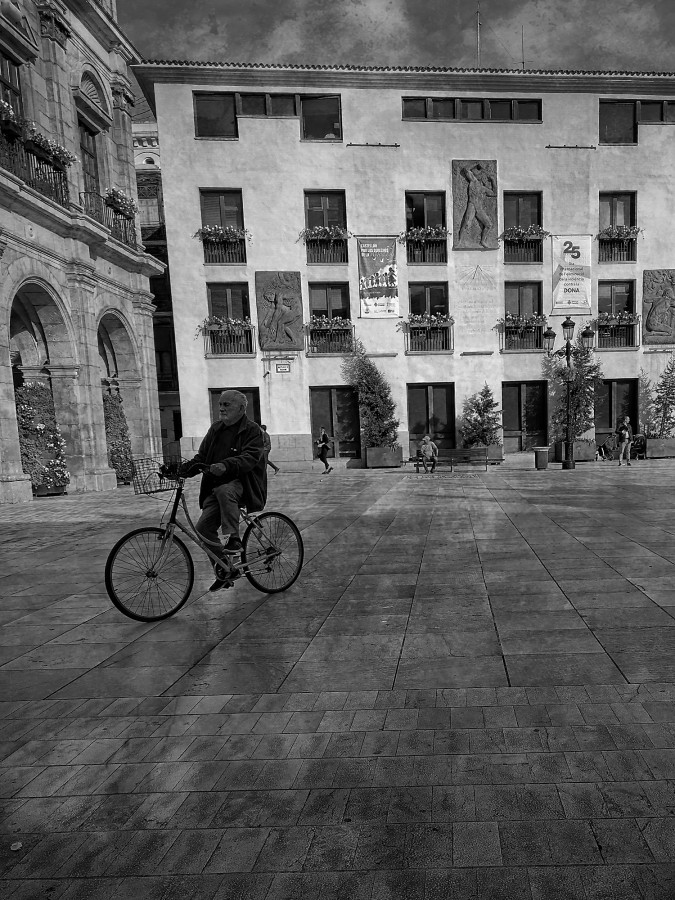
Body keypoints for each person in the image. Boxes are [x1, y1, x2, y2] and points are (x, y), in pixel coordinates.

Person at [179, 390, 266, 590]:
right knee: (203, 529)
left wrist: (226, 465)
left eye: (227, 405)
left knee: (225, 489)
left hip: (243, 484)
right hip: (215, 487)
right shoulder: (216, 429)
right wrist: (181, 470)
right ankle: (226, 569)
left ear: (242, 408)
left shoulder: (252, 430)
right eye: (220, 404)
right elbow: (201, 458)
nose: (221, 408)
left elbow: (251, 457)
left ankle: (233, 539)